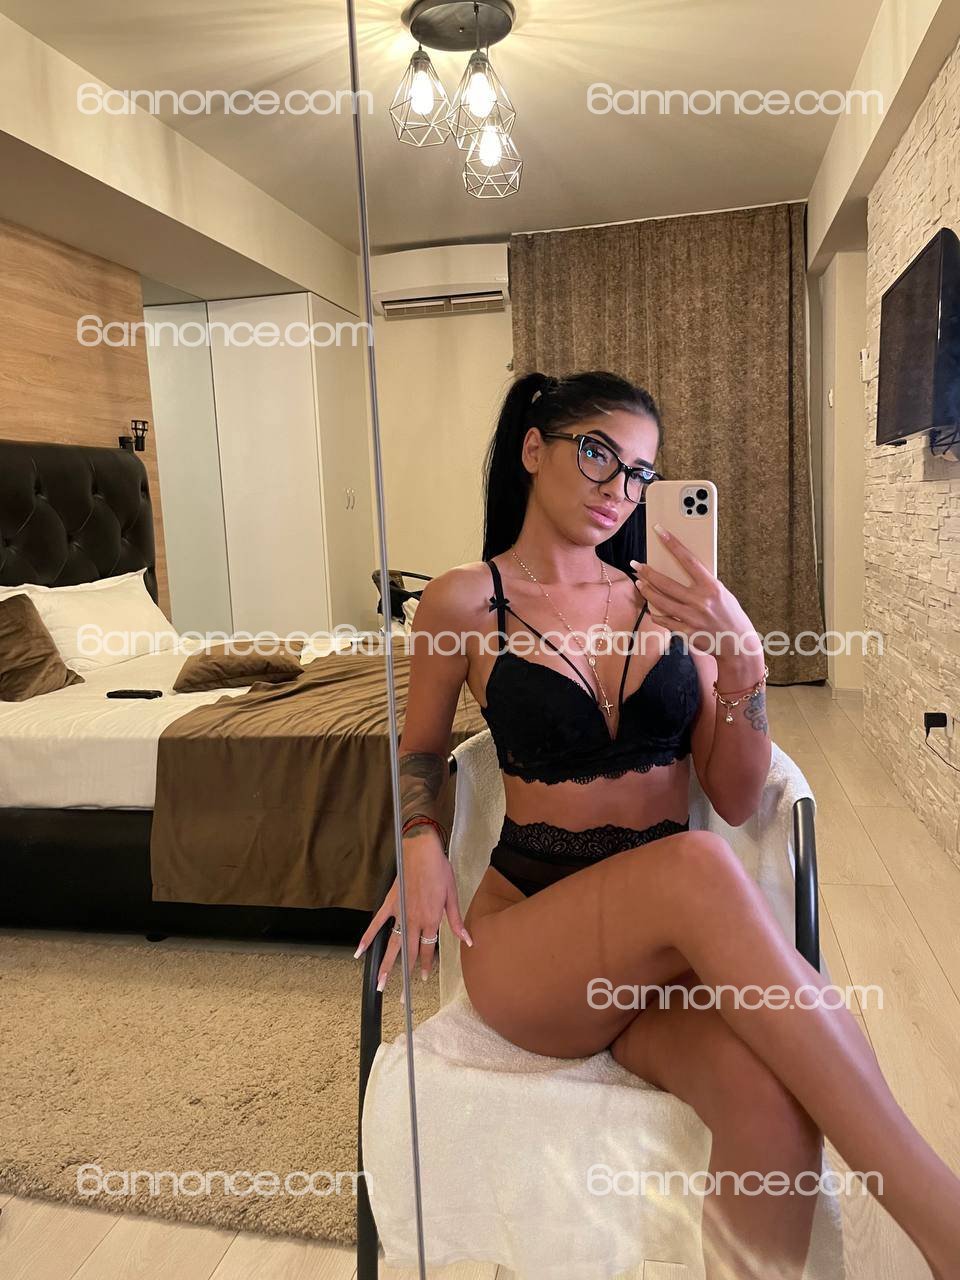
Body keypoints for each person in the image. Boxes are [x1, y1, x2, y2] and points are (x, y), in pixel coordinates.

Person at [355, 370, 960, 1280]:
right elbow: (421, 753)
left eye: (640, 473)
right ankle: (944, 1224)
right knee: (698, 865)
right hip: (534, 952)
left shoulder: (671, 601)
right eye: (598, 454)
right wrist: (420, 838)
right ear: (534, 449)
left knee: (770, 1105)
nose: (620, 489)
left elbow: (739, 794)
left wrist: (744, 662)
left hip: (659, 971)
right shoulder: (463, 602)